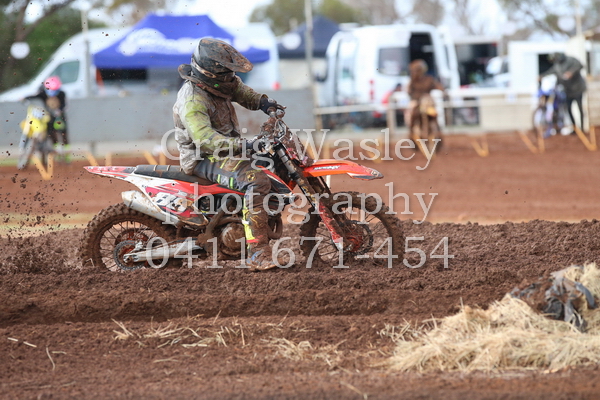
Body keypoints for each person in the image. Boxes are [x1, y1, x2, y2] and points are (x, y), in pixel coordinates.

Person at [173, 38, 284, 271]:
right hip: (203, 157)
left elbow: (240, 91)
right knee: (256, 181)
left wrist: (264, 102)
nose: (230, 78)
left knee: (269, 163)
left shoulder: (220, 83)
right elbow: (205, 140)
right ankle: (257, 253)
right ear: (210, 74)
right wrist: (245, 145)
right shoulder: (193, 100)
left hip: (226, 150)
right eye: (225, 74)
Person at [539, 52, 587, 134]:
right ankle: (575, 128)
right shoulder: (557, 65)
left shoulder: (571, 60)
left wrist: (571, 72)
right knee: (569, 109)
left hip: (577, 89)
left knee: (580, 109)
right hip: (568, 91)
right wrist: (541, 76)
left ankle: (582, 129)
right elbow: (551, 71)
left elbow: (580, 65)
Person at [25, 76, 70, 161]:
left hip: (60, 117)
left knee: (64, 134)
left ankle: (67, 155)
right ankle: (56, 152)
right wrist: (24, 98)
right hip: (49, 118)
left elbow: (65, 105)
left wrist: (59, 111)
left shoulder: (62, 94)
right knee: (52, 134)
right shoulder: (43, 94)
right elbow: (34, 96)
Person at [405, 59, 445, 136]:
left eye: (417, 70)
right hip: (416, 101)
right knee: (411, 114)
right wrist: (415, 97)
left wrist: (444, 92)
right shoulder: (413, 81)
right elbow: (409, 91)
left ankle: (438, 132)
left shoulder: (429, 79)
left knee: (434, 114)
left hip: (427, 102)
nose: (415, 72)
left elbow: (438, 86)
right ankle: (411, 132)